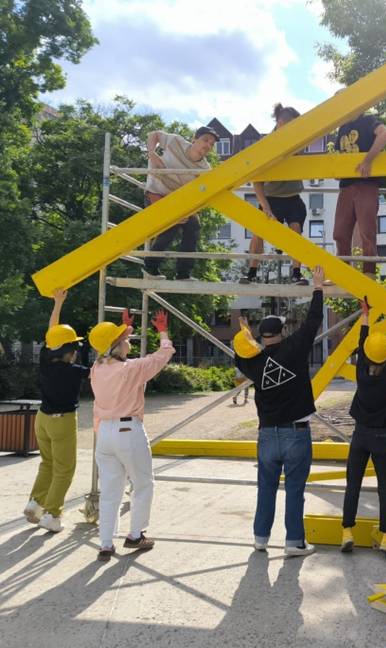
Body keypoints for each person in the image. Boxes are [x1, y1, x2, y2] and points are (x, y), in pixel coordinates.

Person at [233, 266, 325, 556]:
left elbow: (241, 353)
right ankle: (293, 542)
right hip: (296, 434)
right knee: (295, 490)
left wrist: (244, 334)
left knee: (266, 488)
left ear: (263, 337)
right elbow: (313, 321)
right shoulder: (294, 348)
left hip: (267, 436)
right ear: (283, 331)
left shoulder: (252, 362)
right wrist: (318, 287)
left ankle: (260, 539)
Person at [89, 308, 175, 562]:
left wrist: (124, 328)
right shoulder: (131, 369)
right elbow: (164, 354)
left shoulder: (97, 367)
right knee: (142, 484)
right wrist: (162, 331)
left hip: (104, 433)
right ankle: (135, 535)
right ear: (117, 346)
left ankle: (106, 543)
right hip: (128, 431)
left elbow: (113, 347)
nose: (129, 341)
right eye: (125, 339)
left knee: (110, 491)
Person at [340, 299, 386, 557]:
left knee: (353, 485)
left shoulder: (360, 372)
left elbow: (362, 344)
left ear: (366, 355)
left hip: (360, 435)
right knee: (384, 489)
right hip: (382, 437)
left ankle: (347, 532)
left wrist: (366, 317)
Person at [23, 289, 90, 533]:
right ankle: (51, 514)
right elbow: (102, 370)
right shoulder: (74, 370)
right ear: (69, 352)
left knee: (47, 463)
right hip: (62, 422)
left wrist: (58, 303)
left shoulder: (44, 360)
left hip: (42, 419)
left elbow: (53, 333)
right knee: (65, 469)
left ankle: (35, 502)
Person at [242, 104, 308, 286]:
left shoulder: (297, 141)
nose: (295, 130)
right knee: (259, 232)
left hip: (293, 197)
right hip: (271, 198)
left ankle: (297, 273)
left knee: (295, 231)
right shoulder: (267, 145)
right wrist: (266, 207)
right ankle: (251, 273)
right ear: (280, 123)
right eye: (292, 126)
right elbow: (257, 181)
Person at [143, 125, 220, 280]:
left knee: (193, 224)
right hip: (156, 193)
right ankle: (150, 268)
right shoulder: (175, 142)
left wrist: (190, 211)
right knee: (172, 223)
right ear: (194, 140)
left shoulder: (204, 169)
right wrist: (152, 153)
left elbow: (201, 195)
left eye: (211, 144)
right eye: (205, 140)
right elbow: (154, 134)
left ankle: (183, 273)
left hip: (178, 201)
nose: (208, 145)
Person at [333, 111, 386, 278]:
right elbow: (338, 155)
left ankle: (369, 272)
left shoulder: (367, 120)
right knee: (339, 232)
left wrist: (368, 160)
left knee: (367, 230)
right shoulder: (342, 127)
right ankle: (343, 271)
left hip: (366, 182)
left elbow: (384, 134)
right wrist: (338, 170)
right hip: (346, 185)